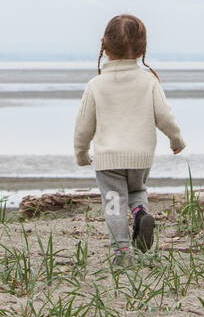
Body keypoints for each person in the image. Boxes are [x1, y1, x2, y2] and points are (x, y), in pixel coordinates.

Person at [73, 14, 186, 266]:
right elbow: (165, 116)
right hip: (140, 157)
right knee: (137, 190)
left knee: (113, 204)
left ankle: (122, 253)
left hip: (108, 161)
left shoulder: (96, 85)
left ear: (105, 47)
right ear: (142, 49)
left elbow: (83, 126)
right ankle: (140, 213)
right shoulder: (149, 82)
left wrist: (81, 154)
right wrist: (176, 140)